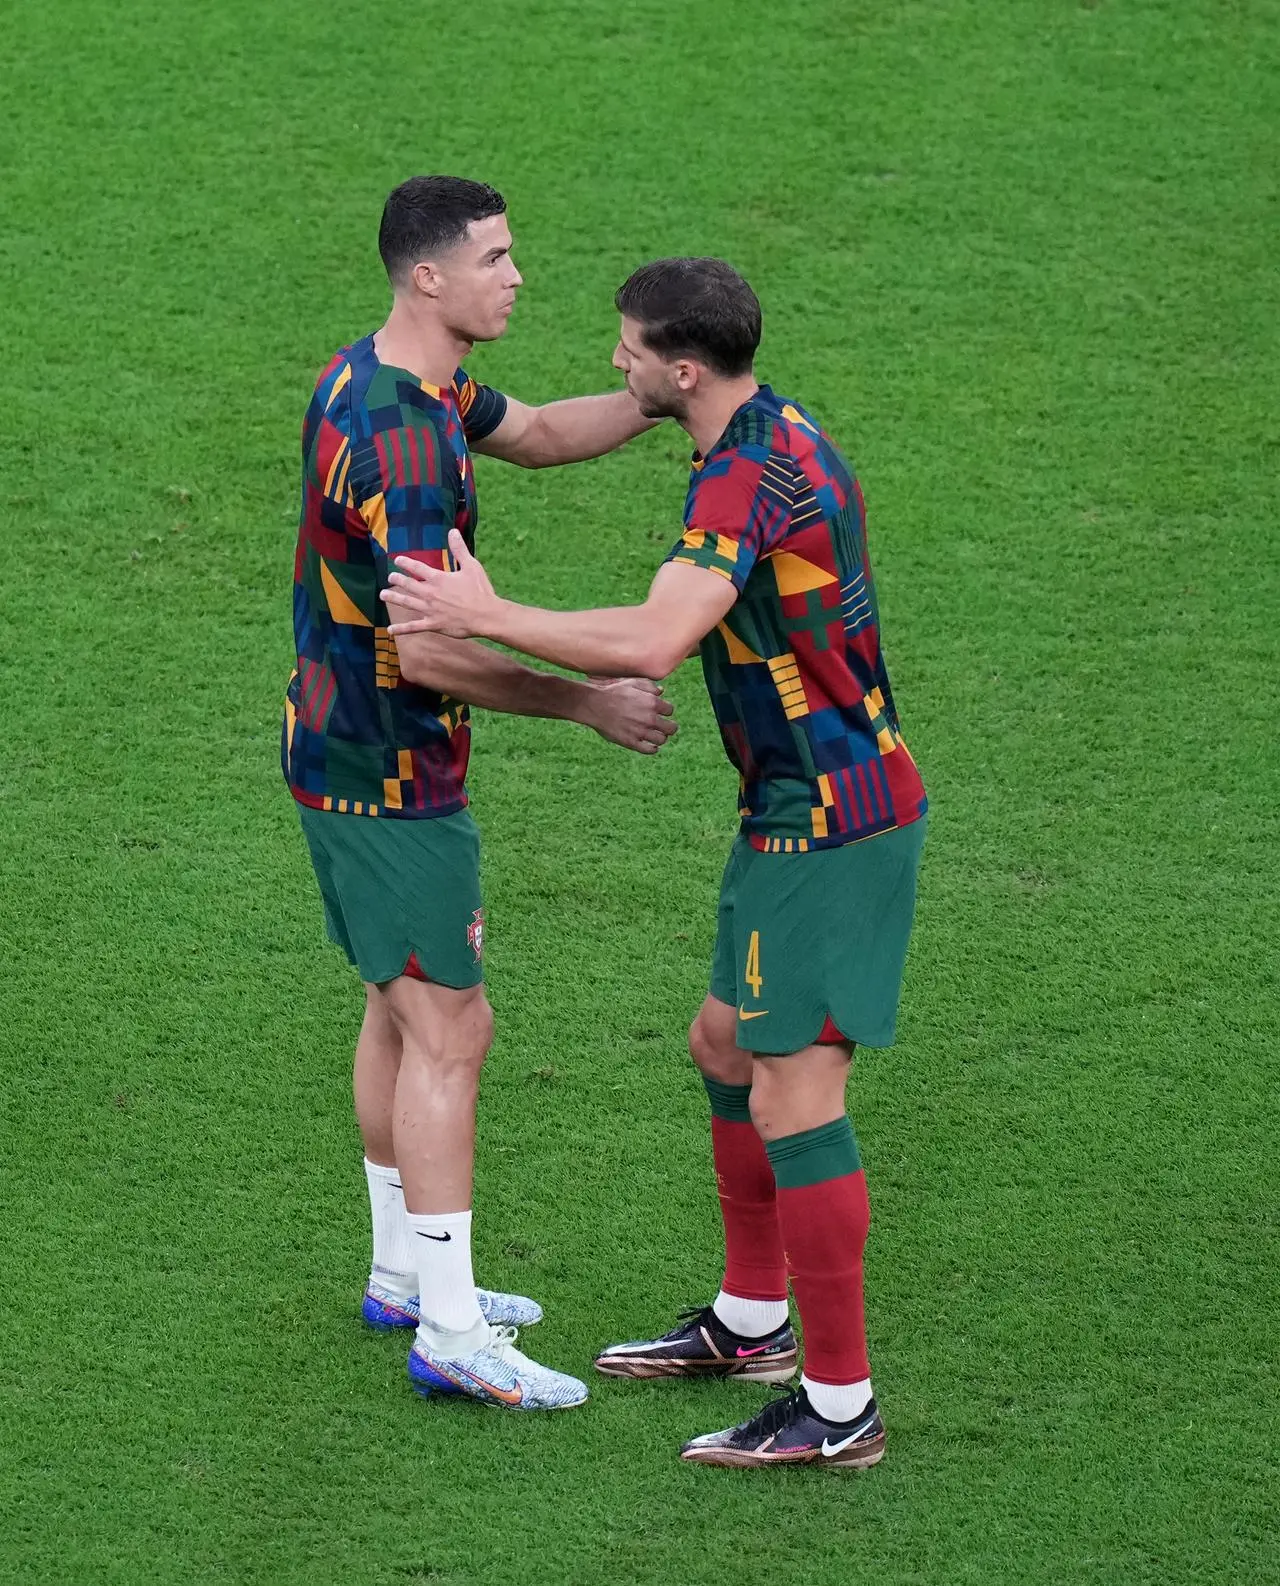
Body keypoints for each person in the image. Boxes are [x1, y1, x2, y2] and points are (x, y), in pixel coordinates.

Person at [381, 256, 929, 1466]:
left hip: (833, 822)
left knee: (797, 1088)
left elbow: (655, 638)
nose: (614, 364)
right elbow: (590, 469)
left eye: (628, 349)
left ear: (686, 367)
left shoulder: (744, 477)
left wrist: (484, 612)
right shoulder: (767, 419)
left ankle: (839, 1407)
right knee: (724, 1042)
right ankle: (751, 1318)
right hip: (795, 803)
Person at [283, 177, 676, 1414]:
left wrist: (663, 395)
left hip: (336, 750)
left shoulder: (394, 380)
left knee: (397, 1013)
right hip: (388, 773)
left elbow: (548, 431)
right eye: (497, 259)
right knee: (452, 1025)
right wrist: (588, 699)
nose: (517, 276)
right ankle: (449, 1329)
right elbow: (435, 652)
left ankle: (405, 1272)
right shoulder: (401, 440)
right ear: (429, 278)